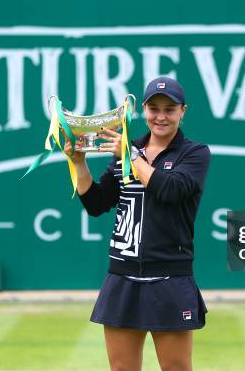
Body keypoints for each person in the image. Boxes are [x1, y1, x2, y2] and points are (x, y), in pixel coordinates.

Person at [63, 76, 211, 371]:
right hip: (123, 276)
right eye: (153, 108)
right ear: (143, 110)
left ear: (183, 111)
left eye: (169, 109)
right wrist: (79, 163)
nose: (161, 116)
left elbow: (170, 190)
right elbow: (97, 203)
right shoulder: (126, 150)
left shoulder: (194, 153)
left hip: (170, 277)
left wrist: (130, 156)